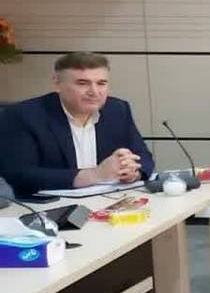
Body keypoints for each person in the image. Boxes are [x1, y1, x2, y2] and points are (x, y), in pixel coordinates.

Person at [0, 52, 154, 196]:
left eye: (101, 83)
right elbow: (20, 173)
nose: (94, 92)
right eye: (82, 83)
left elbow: (143, 156)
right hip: (49, 207)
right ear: (57, 84)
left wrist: (133, 172)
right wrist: (95, 174)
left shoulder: (117, 109)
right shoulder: (23, 115)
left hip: (109, 201)